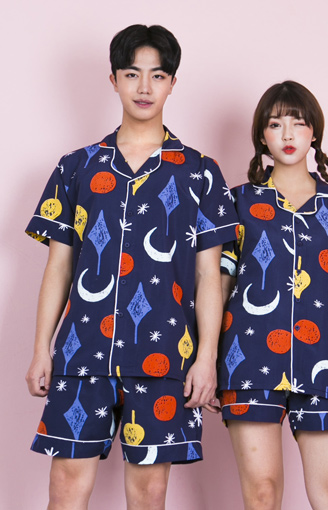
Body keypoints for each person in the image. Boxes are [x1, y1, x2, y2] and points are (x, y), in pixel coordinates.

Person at [25, 24, 238, 510]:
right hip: (82, 352)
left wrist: (206, 357)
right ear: (114, 80)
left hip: (165, 354)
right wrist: (41, 349)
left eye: (157, 75)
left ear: (172, 83)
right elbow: (58, 267)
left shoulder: (200, 172)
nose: (144, 87)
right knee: (65, 489)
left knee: (149, 494)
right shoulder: (76, 167)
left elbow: (210, 275)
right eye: (132, 74)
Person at [218, 81, 328, 510]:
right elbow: (219, 285)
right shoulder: (237, 204)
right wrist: (204, 360)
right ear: (262, 136)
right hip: (247, 359)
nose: (288, 134)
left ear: (314, 133)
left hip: (322, 362)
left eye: (298, 123)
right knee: (262, 493)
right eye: (276, 124)